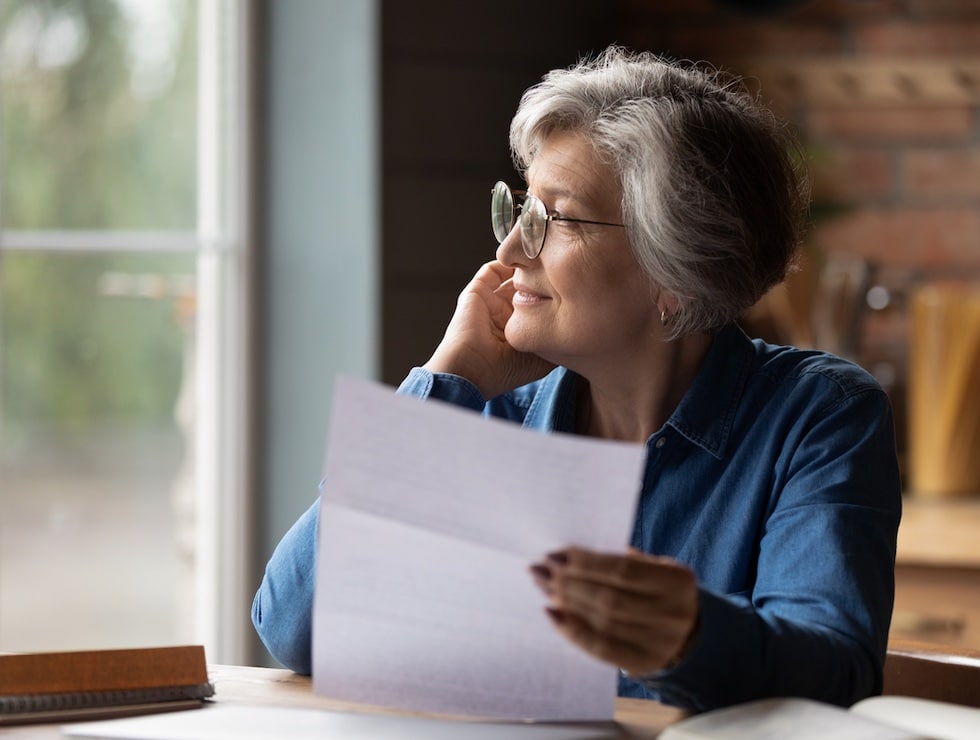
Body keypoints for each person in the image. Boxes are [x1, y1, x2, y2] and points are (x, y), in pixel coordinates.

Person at [252, 45, 901, 714]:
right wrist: (445, 381)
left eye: (554, 220)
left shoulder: (818, 414)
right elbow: (295, 629)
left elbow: (835, 673)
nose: (509, 251)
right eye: (520, 209)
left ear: (674, 276)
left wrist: (688, 638)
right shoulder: (482, 413)